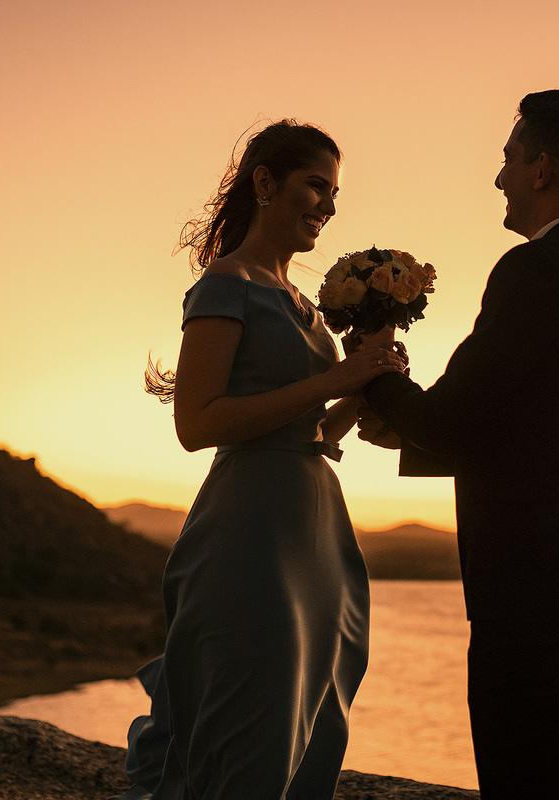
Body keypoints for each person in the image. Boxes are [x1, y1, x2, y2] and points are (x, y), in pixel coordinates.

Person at [358, 90, 559, 799]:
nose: (498, 176)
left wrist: (376, 369)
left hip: (532, 585)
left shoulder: (536, 269)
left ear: (542, 169)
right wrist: (405, 438)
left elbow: (449, 418)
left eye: (508, 157)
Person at [113, 120, 405, 800]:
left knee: (314, 719)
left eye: (334, 194)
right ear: (265, 184)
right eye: (315, 187)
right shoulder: (226, 285)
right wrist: (334, 380)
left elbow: (313, 435)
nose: (327, 207)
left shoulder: (304, 302)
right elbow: (198, 424)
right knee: (253, 731)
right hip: (249, 536)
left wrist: (362, 391)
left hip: (317, 536)